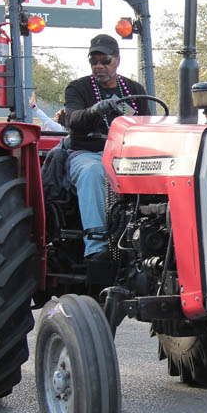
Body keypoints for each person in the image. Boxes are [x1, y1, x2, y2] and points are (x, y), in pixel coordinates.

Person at [64, 34, 150, 261]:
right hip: (88, 153)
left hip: (126, 156)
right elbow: (72, 119)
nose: (99, 66)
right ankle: (97, 247)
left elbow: (148, 126)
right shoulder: (78, 88)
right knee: (93, 172)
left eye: (105, 60)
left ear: (117, 60)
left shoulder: (133, 89)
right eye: (94, 61)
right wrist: (95, 110)